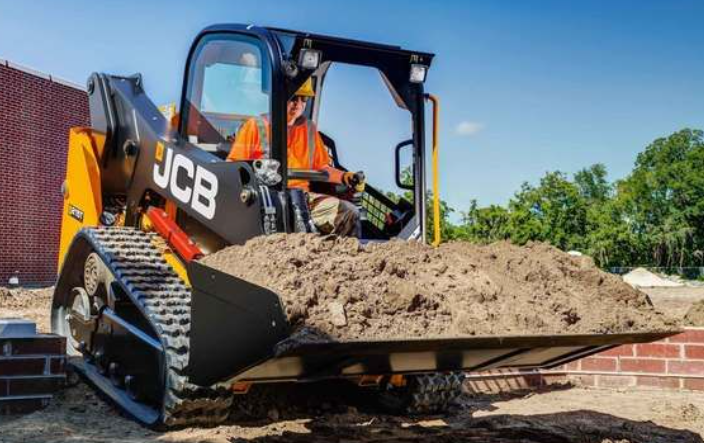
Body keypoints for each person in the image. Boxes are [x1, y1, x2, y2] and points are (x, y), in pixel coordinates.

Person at [227, 78, 362, 237]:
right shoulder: (255, 126)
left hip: (303, 199)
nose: (298, 104)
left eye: (303, 99)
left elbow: (323, 168)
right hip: (266, 197)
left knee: (349, 213)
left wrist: (345, 177)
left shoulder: (310, 130)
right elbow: (233, 167)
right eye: (293, 98)